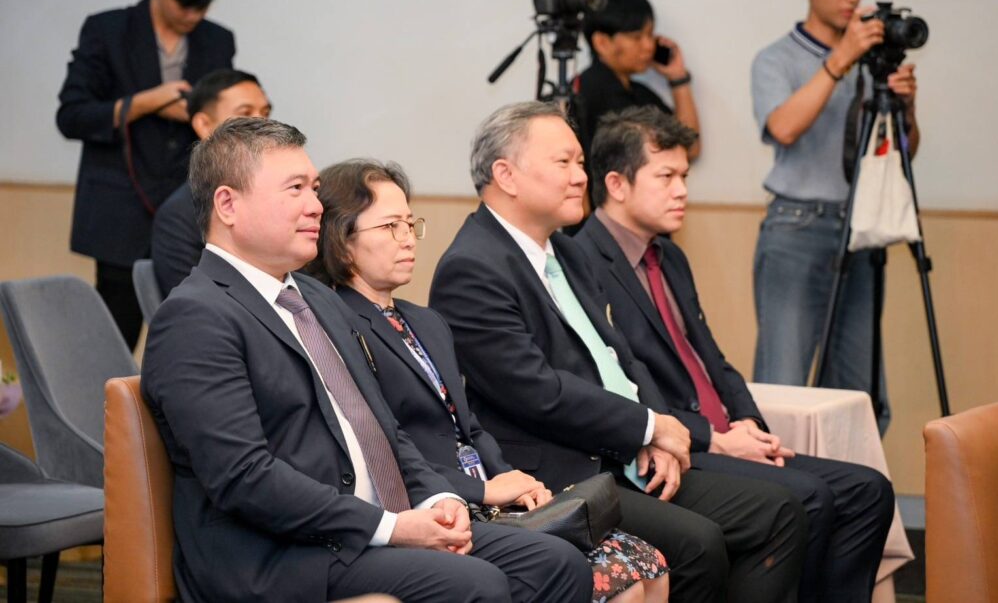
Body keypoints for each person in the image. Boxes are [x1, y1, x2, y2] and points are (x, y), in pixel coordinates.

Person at [141, 117, 592, 603]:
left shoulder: (314, 296)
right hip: (280, 554)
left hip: (369, 529)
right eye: (295, 189)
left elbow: (381, 428)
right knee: (475, 584)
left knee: (556, 563)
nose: (315, 206)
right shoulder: (196, 316)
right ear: (228, 204)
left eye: (314, 189)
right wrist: (390, 527)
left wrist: (439, 499)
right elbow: (243, 476)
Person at [430, 101, 807, 603]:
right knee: (698, 544)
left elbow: (621, 357)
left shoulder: (563, 250)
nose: (580, 177)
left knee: (780, 510)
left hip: (617, 449)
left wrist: (654, 430)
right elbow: (537, 392)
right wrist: (648, 428)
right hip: (558, 473)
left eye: (580, 162)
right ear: (506, 175)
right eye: (563, 163)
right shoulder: (472, 268)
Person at [307, 158, 671, 603]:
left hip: (489, 497)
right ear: (342, 242)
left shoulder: (425, 321)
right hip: (434, 502)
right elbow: (389, 444)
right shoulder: (340, 326)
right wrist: (482, 489)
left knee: (647, 563)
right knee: (621, 581)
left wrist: (511, 476)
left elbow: (469, 425)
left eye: (410, 224)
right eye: (390, 227)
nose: (407, 239)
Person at [576, 106, 895, 603]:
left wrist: (749, 423)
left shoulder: (669, 256)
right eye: (666, 176)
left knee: (868, 490)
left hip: (723, 433)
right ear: (616, 184)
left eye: (685, 176)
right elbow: (624, 387)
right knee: (810, 497)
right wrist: (718, 439)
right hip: (675, 442)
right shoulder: (582, 262)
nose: (682, 190)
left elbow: (713, 360)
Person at [750, 0, 920, 432]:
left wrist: (906, 107)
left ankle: (851, 482)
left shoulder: (874, 60)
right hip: (797, 228)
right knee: (782, 386)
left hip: (861, 229)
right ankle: (774, 482)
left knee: (861, 393)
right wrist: (839, 61)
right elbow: (783, 128)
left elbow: (902, 152)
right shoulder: (775, 59)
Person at [56, 0, 235, 350]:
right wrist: (146, 103)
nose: (193, 14)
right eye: (184, 3)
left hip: (188, 211)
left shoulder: (218, 40)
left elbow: (220, 118)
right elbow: (72, 116)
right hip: (120, 210)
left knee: (195, 331)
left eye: (203, 5)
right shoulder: (107, 30)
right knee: (114, 341)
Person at [151, 69, 271, 296]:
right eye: (245, 113)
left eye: (265, 113)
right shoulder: (181, 215)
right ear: (204, 125)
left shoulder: (279, 194)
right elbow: (190, 302)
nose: (261, 124)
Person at [574, 0, 700, 187]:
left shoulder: (637, 91)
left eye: (650, 35)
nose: (649, 46)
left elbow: (690, 146)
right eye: (637, 37)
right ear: (602, 42)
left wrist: (678, 78)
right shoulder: (593, 89)